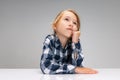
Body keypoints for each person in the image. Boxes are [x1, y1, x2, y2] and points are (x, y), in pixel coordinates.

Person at [40, 9, 98, 74]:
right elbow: (46, 66)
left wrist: (75, 42)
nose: (71, 24)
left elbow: (78, 66)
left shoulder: (74, 43)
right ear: (55, 26)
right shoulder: (50, 40)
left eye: (75, 23)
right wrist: (74, 69)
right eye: (67, 19)